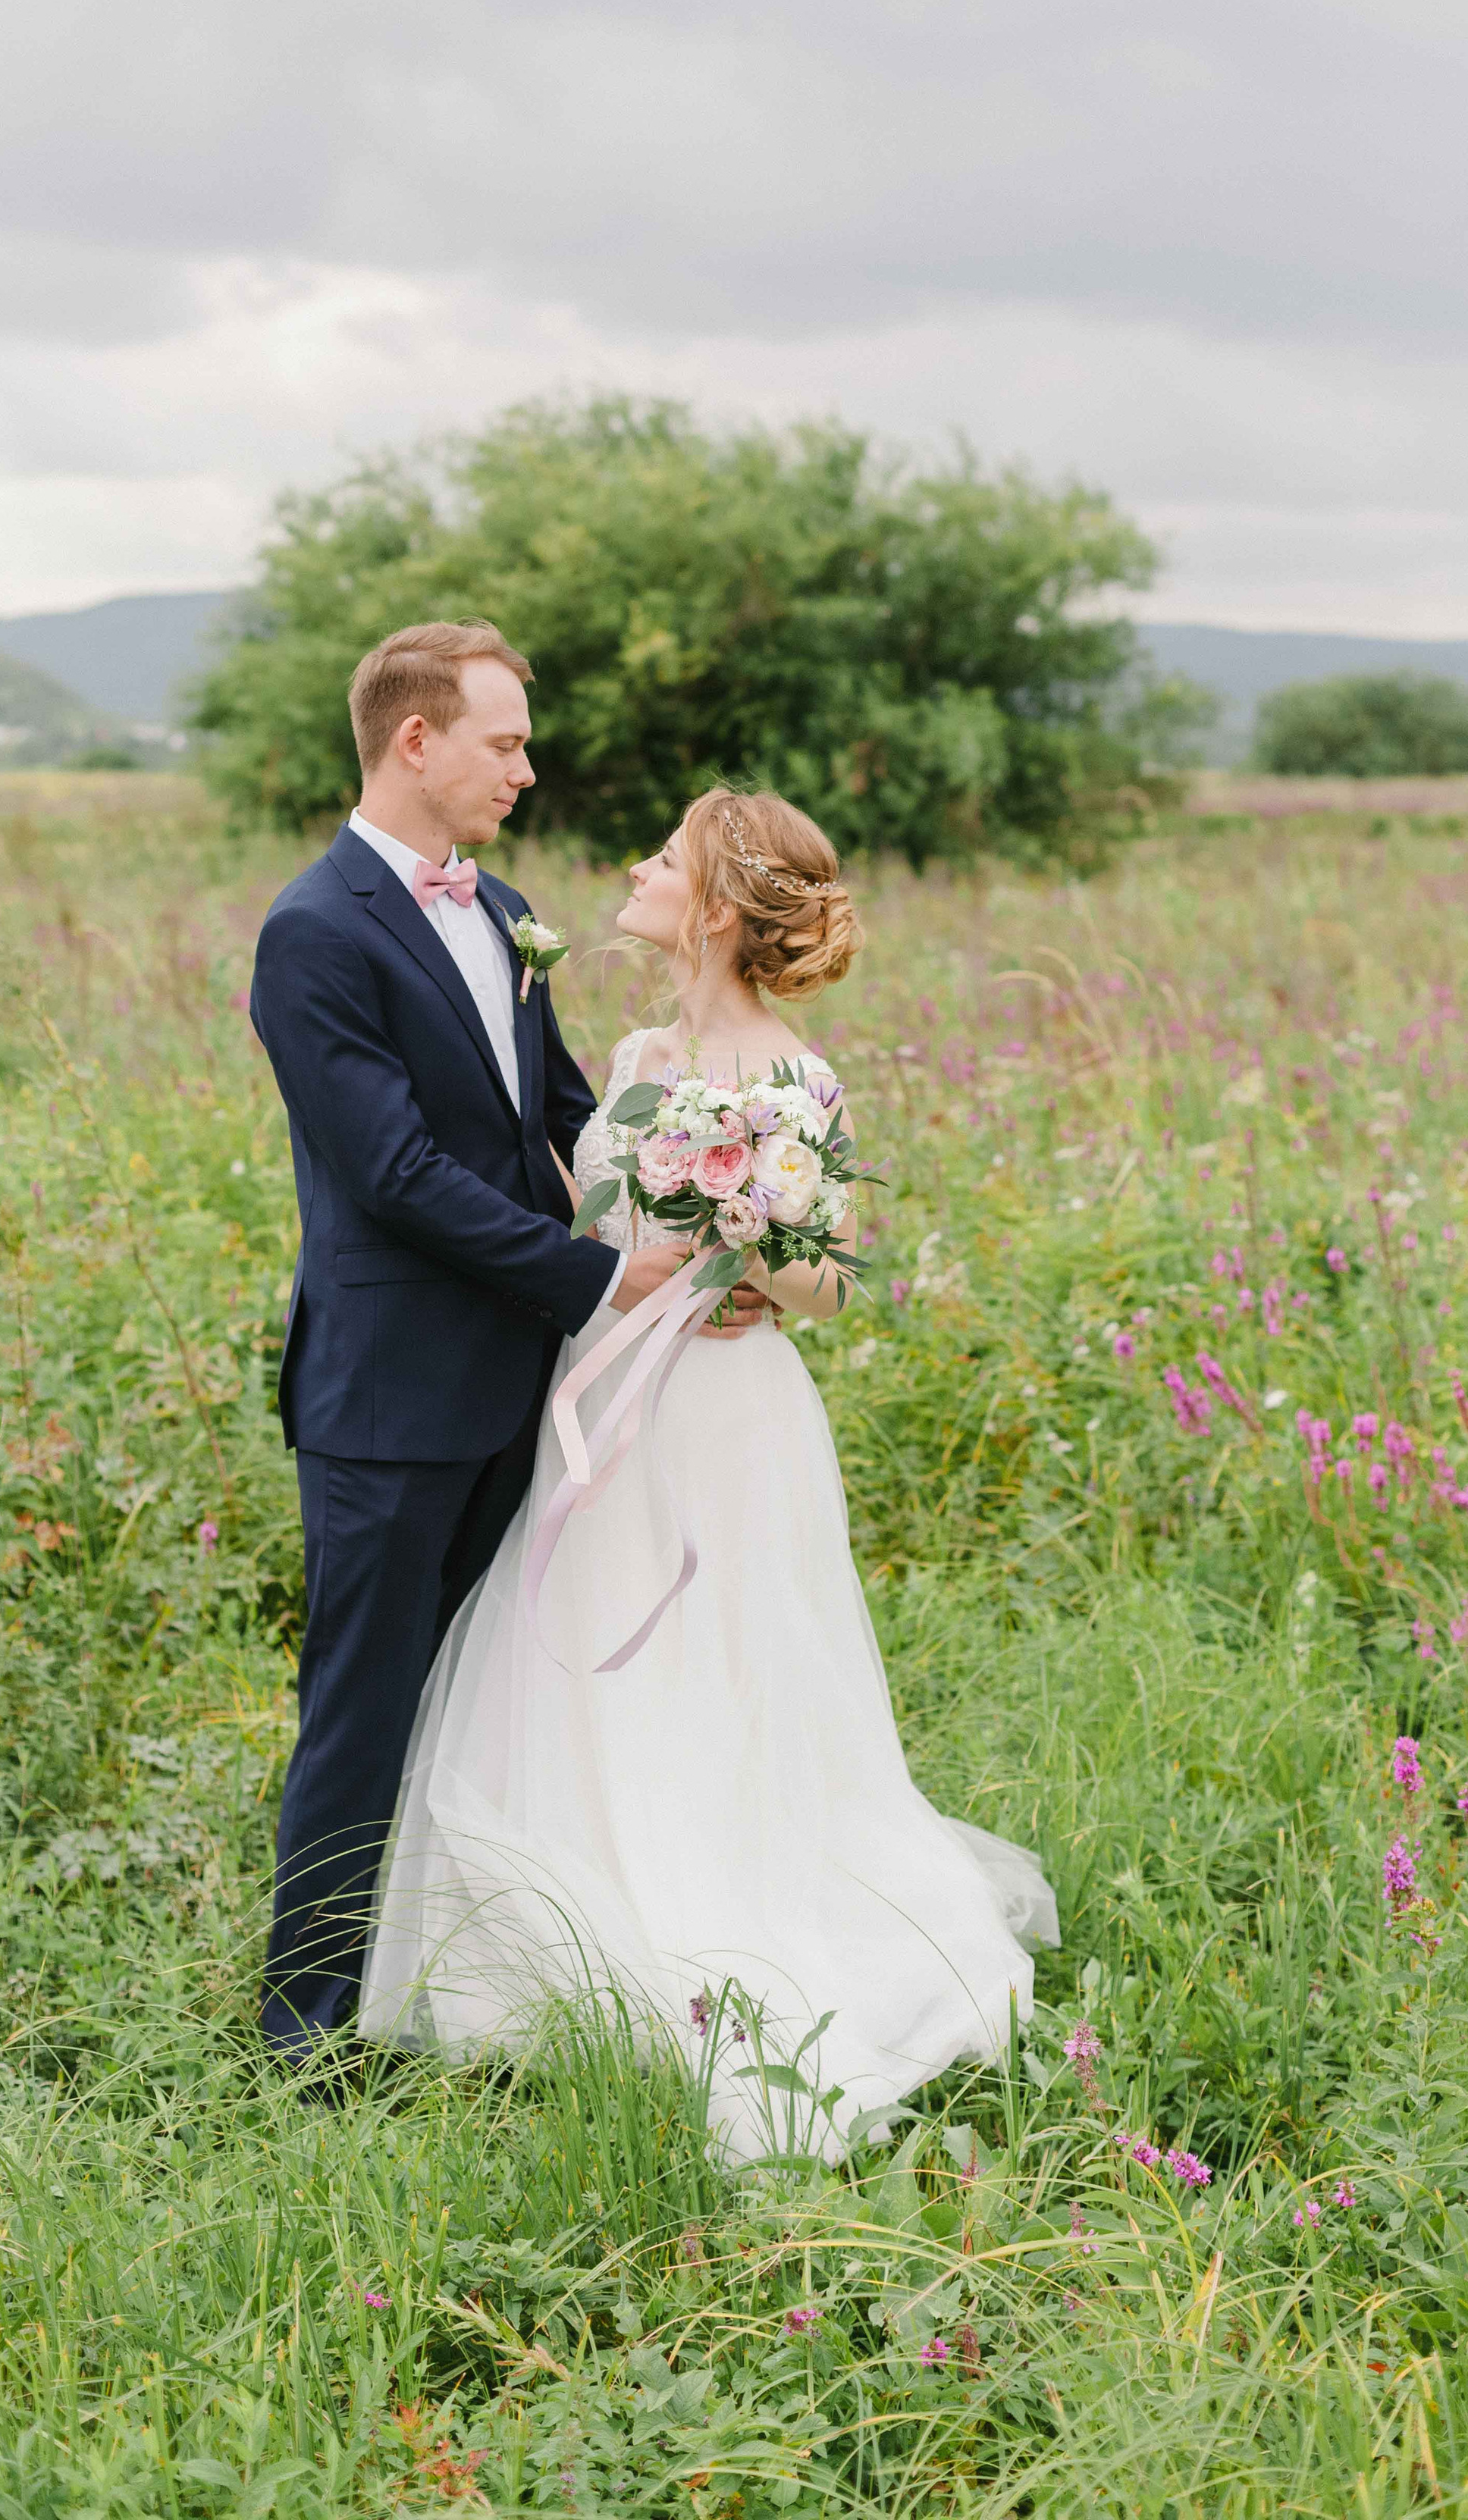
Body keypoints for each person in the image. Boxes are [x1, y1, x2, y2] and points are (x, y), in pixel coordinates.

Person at [359, 785, 1059, 2161]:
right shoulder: (631, 1048)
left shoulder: (798, 1078)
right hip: (605, 1397)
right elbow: (586, 1223)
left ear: (722, 906)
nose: (635, 867)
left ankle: (735, 1938)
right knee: (570, 1662)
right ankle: (547, 1965)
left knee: (727, 1670)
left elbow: (832, 1290)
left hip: (728, 1421)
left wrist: (749, 1232)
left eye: (664, 859)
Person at [249, 622, 767, 2058]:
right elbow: (397, 1177)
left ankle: (448, 1990)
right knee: (361, 1715)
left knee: (484, 1704)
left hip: (520, 1388)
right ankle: (305, 2038)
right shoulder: (312, 933)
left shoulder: (505, 906)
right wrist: (605, 1276)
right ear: (416, 742)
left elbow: (556, 1112)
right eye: (505, 742)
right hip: (390, 1399)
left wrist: (699, 1198)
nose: (527, 770)